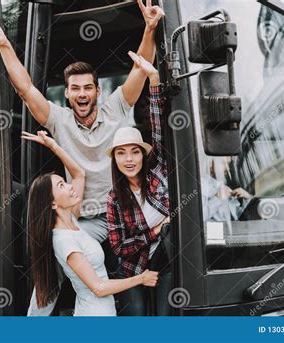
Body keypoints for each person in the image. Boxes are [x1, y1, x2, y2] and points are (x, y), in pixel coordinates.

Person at [0, 1, 164, 315]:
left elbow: (141, 69)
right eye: (75, 88)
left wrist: (150, 28)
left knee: (137, 280)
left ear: (97, 91)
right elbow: (25, 89)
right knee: (52, 267)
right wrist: (5, 46)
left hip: (122, 216)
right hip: (85, 221)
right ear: (67, 93)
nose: (81, 94)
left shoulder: (116, 108)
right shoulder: (59, 120)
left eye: (88, 88)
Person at [23, 130, 159, 316]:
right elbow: (99, 288)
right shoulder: (64, 241)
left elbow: (79, 174)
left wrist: (53, 145)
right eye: (61, 186)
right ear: (52, 203)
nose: (70, 187)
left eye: (65, 182)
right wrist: (141, 278)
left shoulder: (72, 221)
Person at [106, 52, 171, 315]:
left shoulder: (156, 171)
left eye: (134, 152)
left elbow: (157, 126)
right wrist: (157, 231)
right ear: (115, 159)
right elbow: (120, 247)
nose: (129, 159)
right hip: (133, 268)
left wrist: (153, 78)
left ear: (143, 155)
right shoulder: (114, 198)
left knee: (165, 319)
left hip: (166, 260)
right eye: (121, 153)